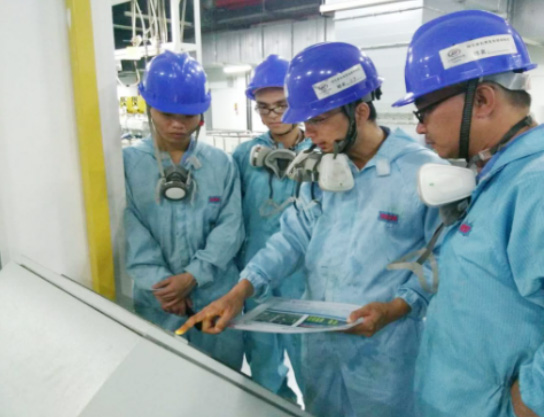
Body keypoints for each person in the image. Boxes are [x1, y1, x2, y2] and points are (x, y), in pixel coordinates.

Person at [177, 42, 444, 417]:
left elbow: (439, 258)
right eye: (306, 122)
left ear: (360, 111)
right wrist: (240, 291)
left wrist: (395, 308)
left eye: (318, 120)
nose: (309, 133)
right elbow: (291, 237)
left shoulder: (419, 171)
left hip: (384, 348)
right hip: (320, 342)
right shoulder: (325, 168)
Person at [392, 10, 544, 417]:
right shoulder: (496, 176)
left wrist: (524, 405)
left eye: (424, 111)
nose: (419, 128)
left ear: (483, 100)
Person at [124, 50, 244, 370]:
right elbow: (131, 229)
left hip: (215, 297)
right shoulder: (127, 165)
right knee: (161, 379)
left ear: (201, 114)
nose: (177, 125)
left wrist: (194, 276)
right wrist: (164, 287)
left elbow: (230, 227)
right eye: (166, 114)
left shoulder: (221, 164)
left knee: (221, 381)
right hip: (158, 302)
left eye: (188, 116)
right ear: (149, 108)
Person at [232, 54, 310, 401]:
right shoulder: (244, 156)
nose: (273, 115)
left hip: (303, 279)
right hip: (256, 277)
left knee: (310, 364)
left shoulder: (322, 155)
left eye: (281, 105)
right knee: (263, 366)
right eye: (264, 108)